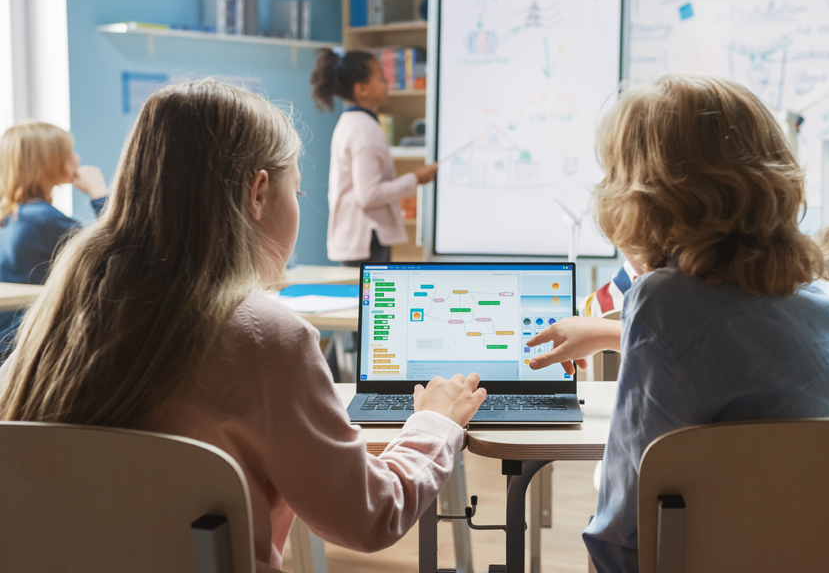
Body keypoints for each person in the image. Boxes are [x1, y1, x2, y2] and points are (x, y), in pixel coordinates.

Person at [0, 80, 486, 573]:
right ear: (257, 193)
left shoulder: (58, 313)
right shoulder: (265, 336)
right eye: (295, 191)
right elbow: (369, 516)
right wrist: (435, 424)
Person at [529, 73, 829, 572]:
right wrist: (616, 333)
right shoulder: (820, 295)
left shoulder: (661, 302)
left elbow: (623, 526)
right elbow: (735, 341)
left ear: (642, 193)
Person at [311, 49, 437, 265]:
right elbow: (369, 195)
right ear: (361, 89)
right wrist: (415, 178)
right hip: (368, 240)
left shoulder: (350, 123)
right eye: (380, 78)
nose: (387, 83)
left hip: (356, 240)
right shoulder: (364, 129)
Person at [0, 121, 108, 354]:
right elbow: (112, 256)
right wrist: (99, 194)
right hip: (27, 345)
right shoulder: (44, 220)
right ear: (48, 162)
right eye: (68, 155)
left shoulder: (10, 215)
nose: (77, 159)